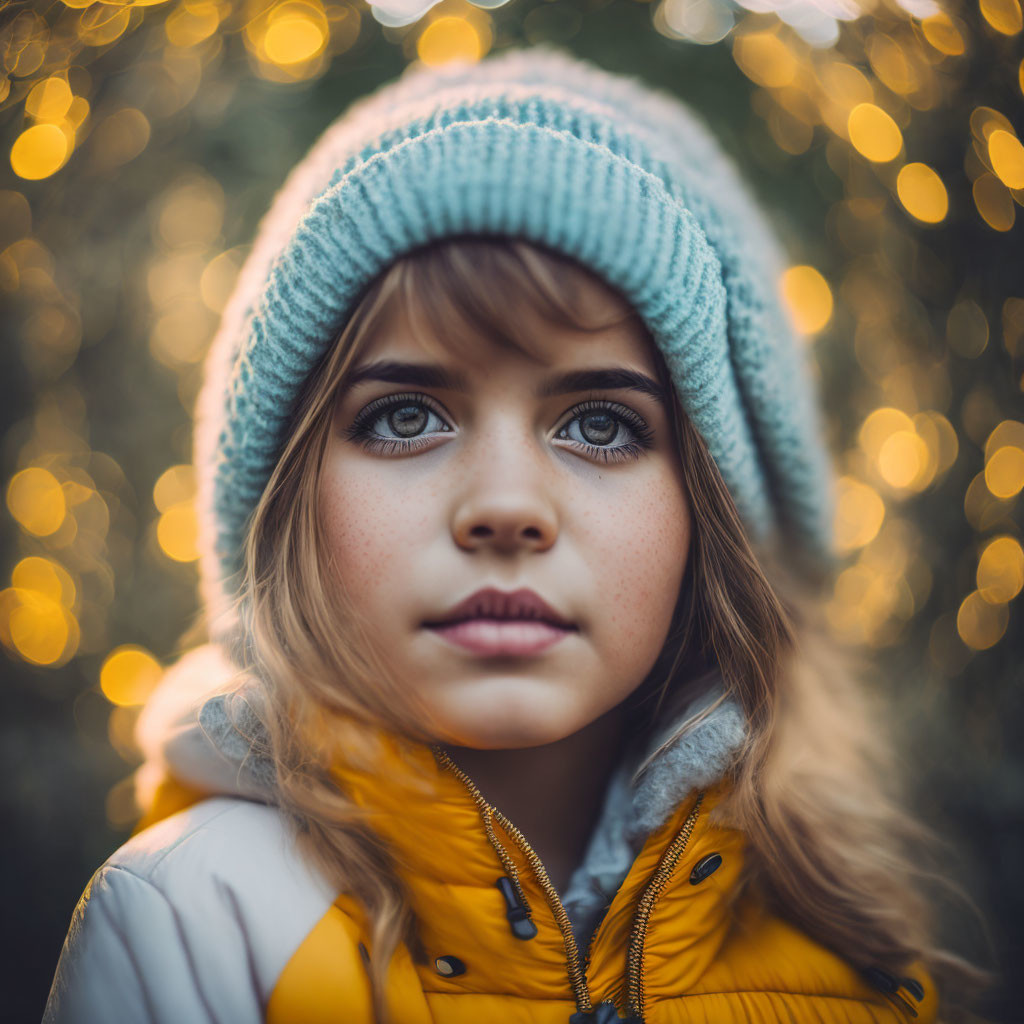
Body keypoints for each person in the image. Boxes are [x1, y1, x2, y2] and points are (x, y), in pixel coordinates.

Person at [43, 46, 986, 1024]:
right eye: (405, 417)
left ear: (714, 523)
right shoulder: (197, 924)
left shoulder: (851, 957)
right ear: (288, 508)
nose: (504, 505)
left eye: (601, 424)